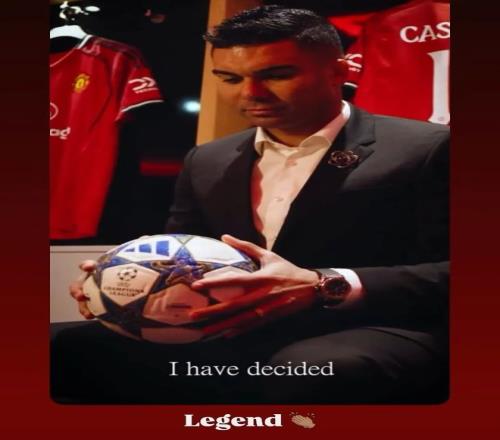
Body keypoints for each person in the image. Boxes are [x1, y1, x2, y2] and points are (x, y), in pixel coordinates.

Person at [52, 5, 449, 404]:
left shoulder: (428, 148)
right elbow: (181, 257)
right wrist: (116, 285)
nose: (249, 93)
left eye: (276, 75)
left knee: (308, 369)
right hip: (237, 326)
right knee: (65, 346)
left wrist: (323, 285)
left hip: (377, 325)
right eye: (229, 78)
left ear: (338, 71)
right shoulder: (207, 159)